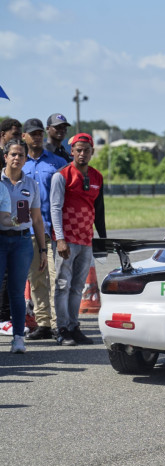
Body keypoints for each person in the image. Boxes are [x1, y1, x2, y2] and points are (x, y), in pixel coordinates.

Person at [50, 133, 106, 346]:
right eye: (78, 150)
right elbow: (55, 208)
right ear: (71, 151)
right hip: (67, 240)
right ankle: (62, 329)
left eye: (86, 150)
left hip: (86, 240)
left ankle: (74, 326)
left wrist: (103, 239)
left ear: (92, 152)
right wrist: (60, 239)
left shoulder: (97, 177)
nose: (82, 154)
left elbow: (99, 210)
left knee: (77, 287)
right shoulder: (61, 175)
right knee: (62, 285)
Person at [0, 139, 47, 354]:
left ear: (26, 159)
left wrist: (43, 248)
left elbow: (37, 220)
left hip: (21, 242)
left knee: (17, 292)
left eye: (21, 155)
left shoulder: (31, 184)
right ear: (5, 156)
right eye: (13, 154)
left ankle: (18, 337)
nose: (17, 158)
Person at [22, 118, 67, 340]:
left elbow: (66, 198)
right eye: (33, 133)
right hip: (29, 231)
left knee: (55, 276)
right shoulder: (19, 164)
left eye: (40, 133)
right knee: (37, 278)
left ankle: (60, 324)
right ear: (24, 137)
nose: (37, 136)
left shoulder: (58, 163)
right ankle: (43, 323)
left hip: (53, 230)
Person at [0, 118, 23, 325]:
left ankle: (6, 317)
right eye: (14, 134)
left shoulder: (25, 179)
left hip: (10, 228)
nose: (18, 137)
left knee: (11, 277)